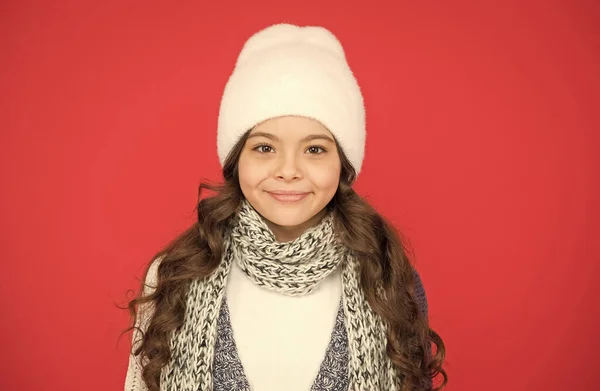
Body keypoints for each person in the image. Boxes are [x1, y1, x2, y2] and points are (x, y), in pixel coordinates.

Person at [123, 23, 447, 391]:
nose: (289, 171)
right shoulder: (175, 274)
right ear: (236, 160)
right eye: (264, 148)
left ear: (342, 164)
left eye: (314, 149)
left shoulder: (389, 278)